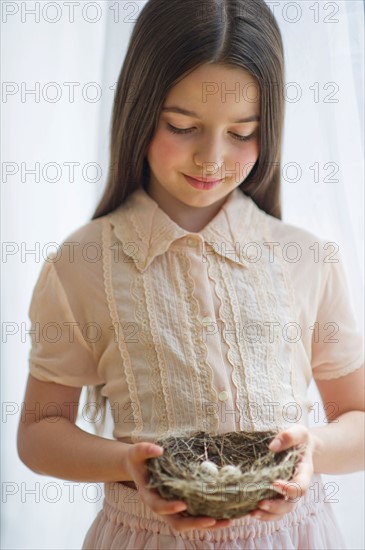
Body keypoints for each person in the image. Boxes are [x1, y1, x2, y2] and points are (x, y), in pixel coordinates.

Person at [17, 0, 364, 548]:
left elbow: (359, 419)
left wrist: (314, 447)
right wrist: (127, 463)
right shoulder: (83, 263)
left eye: (242, 133)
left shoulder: (307, 259)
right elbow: (39, 433)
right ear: (140, 110)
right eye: (183, 126)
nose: (211, 158)